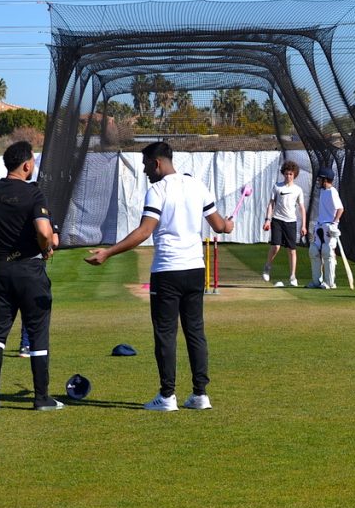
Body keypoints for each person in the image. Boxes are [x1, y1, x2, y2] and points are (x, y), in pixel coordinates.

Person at [85, 141, 234, 411]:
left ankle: (167, 397)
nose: (144, 172)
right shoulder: (197, 185)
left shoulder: (157, 190)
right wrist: (228, 225)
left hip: (168, 271)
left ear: (157, 163)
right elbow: (220, 226)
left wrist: (108, 253)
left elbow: (144, 232)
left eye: (145, 166)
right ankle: (200, 395)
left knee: (165, 334)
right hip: (194, 270)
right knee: (195, 332)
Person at [0, 141, 63, 410]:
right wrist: (46, 247)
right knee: (37, 333)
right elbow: (45, 231)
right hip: (29, 270)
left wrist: (6, 249)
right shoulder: (33, 193)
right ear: (26, 165)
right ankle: (41, 398)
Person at [261, 160, 307, 287]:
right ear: (283, 174)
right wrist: (267, 220)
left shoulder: (298, 190)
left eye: (291, 174)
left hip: (291, 222)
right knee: (276, 246)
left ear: (295, 175)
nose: (288, 176)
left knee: (292, 250)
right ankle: (267, 267)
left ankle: (293, 277)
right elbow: (271, 204)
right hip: (277, 220)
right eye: (286, 174)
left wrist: (303, 225)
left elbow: (302, 208)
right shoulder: (277, 186)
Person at [19, 222, 61, 357]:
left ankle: (24, 344)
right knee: (33, 306)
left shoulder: (15, 211)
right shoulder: (44, 213)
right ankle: (27, 344)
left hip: (10, 264)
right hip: (35, 267)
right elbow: (54, 241)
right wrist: (46, 248)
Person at [306, 167, 344, 289]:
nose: (318, 182)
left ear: (326, 179)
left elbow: (340, 208)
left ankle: (330, 283)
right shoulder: (323, 191)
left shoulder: (333, 192)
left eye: (320, 179)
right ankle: (316, 281)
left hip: (329, 226)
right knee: (314, 251)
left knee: (327, 252)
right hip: (320, 225)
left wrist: (335, 223)